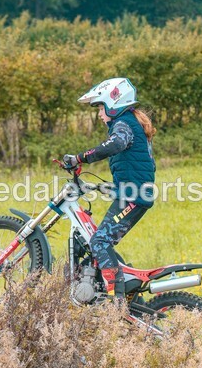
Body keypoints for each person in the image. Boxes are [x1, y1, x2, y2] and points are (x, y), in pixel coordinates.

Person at [63, 77, 156, 302]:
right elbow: (137, 167)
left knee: (100, 242)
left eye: (100, 107)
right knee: (101, 242)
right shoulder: (130, 122)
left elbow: (116, 145)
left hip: (134, 196)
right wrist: (107, 187)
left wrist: (80, 158)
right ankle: (121, 291)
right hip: (132, 193)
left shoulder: (123, 124)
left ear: (113, 104)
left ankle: (116, 300)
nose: (99, 114)